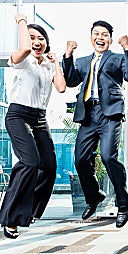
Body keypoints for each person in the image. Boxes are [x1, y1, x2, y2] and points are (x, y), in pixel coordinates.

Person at [62, 20, 128, 228]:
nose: (100, 37)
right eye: (97, 34)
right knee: (80, 159)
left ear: (110, 40)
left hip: (110, 114)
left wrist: (127, 48)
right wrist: (68, 56)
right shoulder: (83, 61)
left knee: (107, 156)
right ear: (91, 38)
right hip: (88, 114)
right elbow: (70, 81)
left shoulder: (117, 58)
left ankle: (123, 204)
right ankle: (94, 195)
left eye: (105, 34)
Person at [0, 14, 66, 239]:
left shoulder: (47, 65)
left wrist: (56, 62)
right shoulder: (19, 59)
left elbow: (61, 88)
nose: (37, 42)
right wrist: (20, 21)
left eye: (41, 39)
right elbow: (26, 49)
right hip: (17, 115)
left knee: (48, 166)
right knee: (29, 162)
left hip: (39, 119)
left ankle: (30, 212)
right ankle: (11, 218)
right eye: (32, 38)